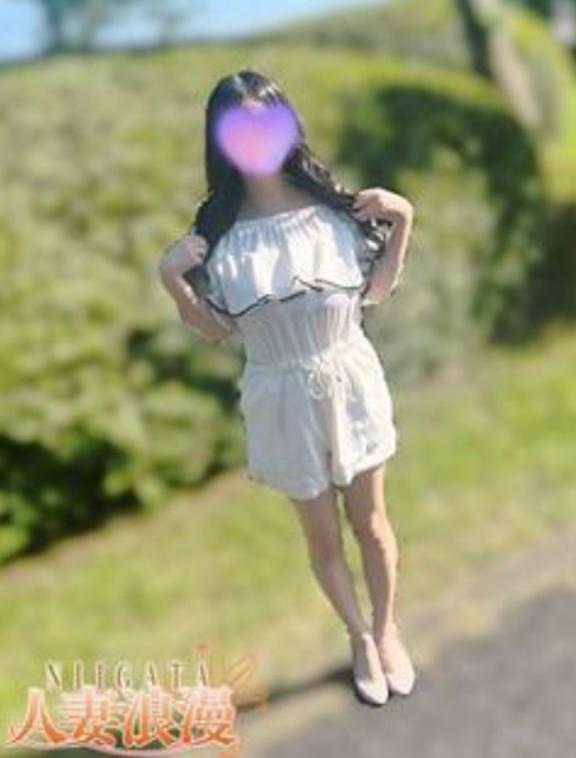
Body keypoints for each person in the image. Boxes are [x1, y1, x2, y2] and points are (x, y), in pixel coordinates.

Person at [158, 70, 416, 706]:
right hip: (278, 393)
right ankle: (358, 637)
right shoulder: (216, 235)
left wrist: (404, 220)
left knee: (372, 525)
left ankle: (387, 630)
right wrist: (173, 282)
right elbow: (216, 330)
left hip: (349, 375)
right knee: (322, 538)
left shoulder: (338, 211)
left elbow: (377, 292)